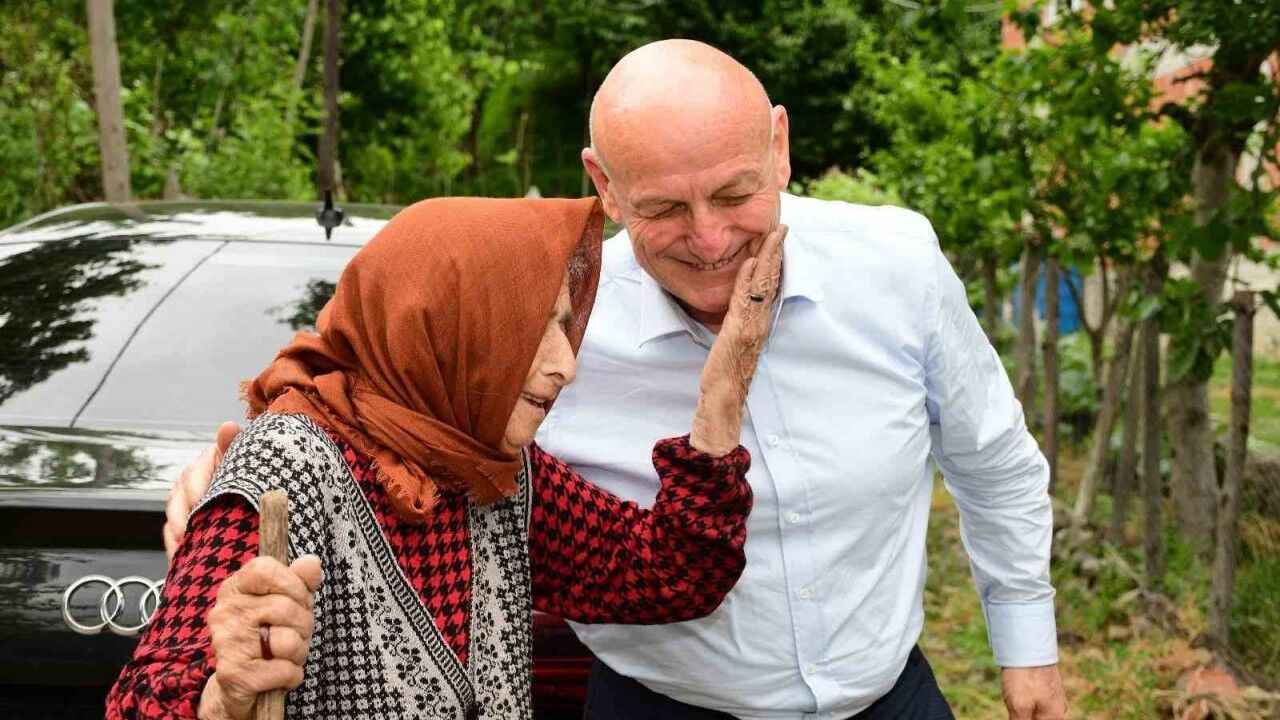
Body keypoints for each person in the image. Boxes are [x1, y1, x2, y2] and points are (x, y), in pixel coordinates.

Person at [166, 40, 1068, 720]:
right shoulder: (539, 324)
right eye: (666, 208)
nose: (711, 239)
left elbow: (990, 463)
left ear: (781, 146)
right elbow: (373, 378)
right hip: (660, 705)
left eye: (736, 194)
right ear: (604, 184)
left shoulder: (896, 264)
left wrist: (1029, 649)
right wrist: (244, 470)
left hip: (888, 698)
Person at [110, 196, 786, 720]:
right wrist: (222, 698)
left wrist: (723, 390)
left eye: (565, 326)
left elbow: (670, 573)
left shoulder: (483, 465)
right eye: (537, 327)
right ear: (453, 327)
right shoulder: (289, 465)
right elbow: (148, 698)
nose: (565, 365)